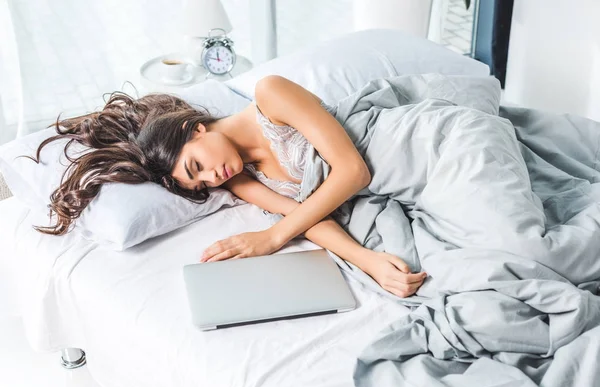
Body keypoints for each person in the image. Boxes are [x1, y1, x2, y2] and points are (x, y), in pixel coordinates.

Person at [28, 75, 427, 298]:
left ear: (195, 129)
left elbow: (353, 172)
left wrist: (270, 238)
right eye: (198, 181)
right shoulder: (239, 180)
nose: (210, 178)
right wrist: (366, 261)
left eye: (197, 165)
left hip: (418, 144)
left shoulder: (271, 94)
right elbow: (307, 215)